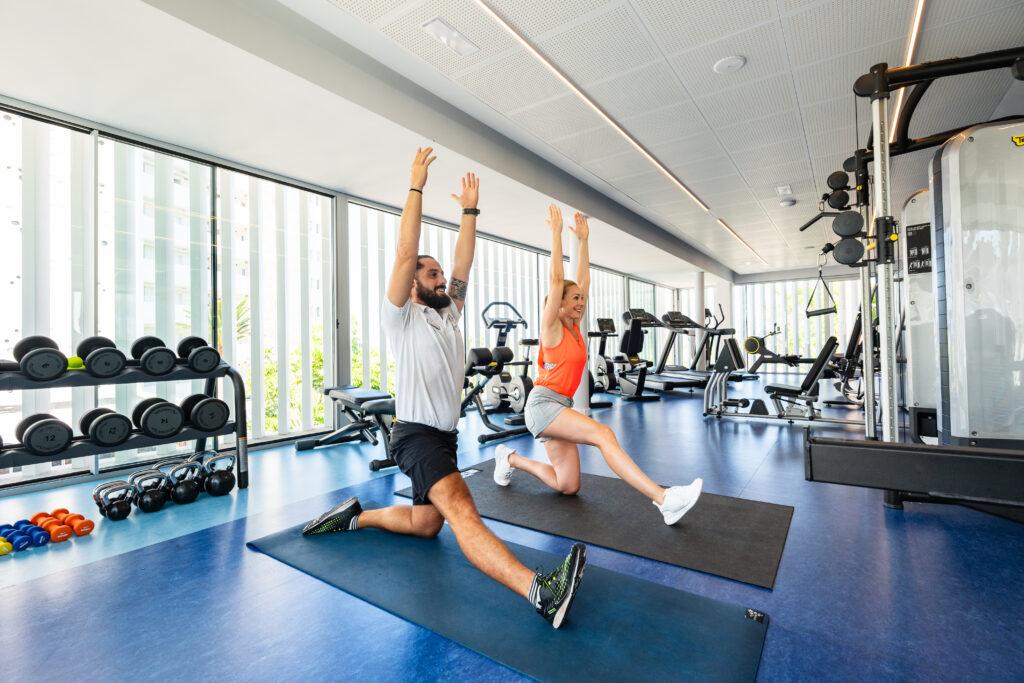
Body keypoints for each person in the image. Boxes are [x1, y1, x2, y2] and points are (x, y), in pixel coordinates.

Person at [303, 149, 586, 629]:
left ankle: (355, 517)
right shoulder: (402, 318)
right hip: (413, 437)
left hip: (444, 438)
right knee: (462, 514)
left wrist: (469, 212)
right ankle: (538, 591)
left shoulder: (450, 313)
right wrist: (416, 185)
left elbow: (464, 262)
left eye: (439, 274)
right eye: (430, 274)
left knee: (426, 523)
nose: (442, 279)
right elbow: (403, 253)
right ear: (413, 285)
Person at [492, 206, 703, 525]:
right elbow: (555, 280)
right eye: (574, 298)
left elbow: (584, 280)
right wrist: (555, 234)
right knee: (604, 434)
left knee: (568, 486)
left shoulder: (575, 328)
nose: (580, 301)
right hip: (543, 405)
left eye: (582, 299)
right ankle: (664, 500)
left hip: (559, 406)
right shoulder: (551, 327)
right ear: (558, 303)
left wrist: (584, 241)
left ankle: (509, 458)